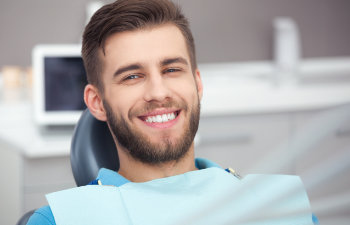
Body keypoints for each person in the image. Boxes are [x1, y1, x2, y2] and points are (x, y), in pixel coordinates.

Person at [27, 0, 319, 224]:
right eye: (132, 76)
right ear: (97, 103)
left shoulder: (280, 207)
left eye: (171, 69)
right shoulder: (60, 219)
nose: (158, 92)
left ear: (197, 83)